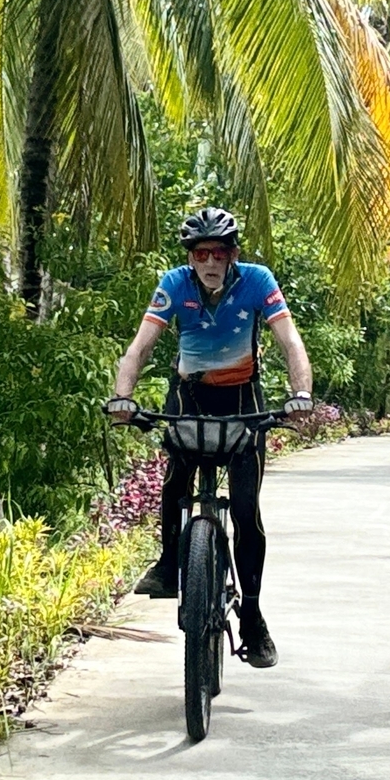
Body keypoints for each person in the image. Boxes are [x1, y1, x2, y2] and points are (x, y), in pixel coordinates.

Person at [105, 207, 313, 668]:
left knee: (245, 510)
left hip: (243, 402)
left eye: (219, 252)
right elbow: (140, 347)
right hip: (190, 398)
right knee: (174, 482)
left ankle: (252, 616)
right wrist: (123, 398)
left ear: (233, 254)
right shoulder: (174, 284)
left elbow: (290, 341)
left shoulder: (257, 280)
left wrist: (301, 394)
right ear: (191, 258)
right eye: (201, 254)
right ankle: (168, 563)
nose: (210, 262)